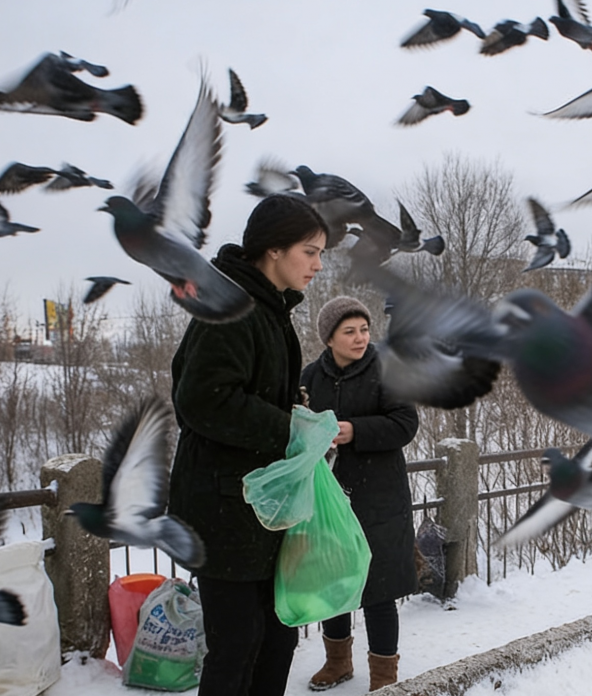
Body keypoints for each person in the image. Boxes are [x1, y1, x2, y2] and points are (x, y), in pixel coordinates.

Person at [166, 194, 327, 696]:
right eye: (310, 252)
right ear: (274, 249)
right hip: (224, 509)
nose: (318, 265)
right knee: (238, 645)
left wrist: (298, 417)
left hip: (257, 506)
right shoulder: (231, 306)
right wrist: (290, 430)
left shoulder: (270, 309)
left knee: (276, 638)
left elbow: (255, 392)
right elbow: (203, 399)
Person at [300, 296, 420, 693]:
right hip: (329, 496)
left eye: (364, 330)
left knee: (378, 588)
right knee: (334, 580)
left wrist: (355, 431)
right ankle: (337, 662)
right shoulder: (310, 377)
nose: (360, 338)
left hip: (380, 497)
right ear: (329, 338)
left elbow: (406, 423)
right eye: (349, 331)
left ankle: (384, 677)